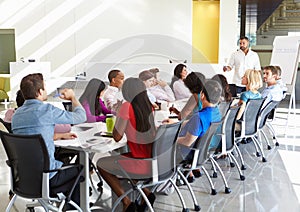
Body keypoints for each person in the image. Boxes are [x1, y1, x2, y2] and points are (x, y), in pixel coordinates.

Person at [11, 73, 87, 207]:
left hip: (25, 179)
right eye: (44, 88)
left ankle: (67, 206)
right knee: (83, 168)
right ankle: (75, 208)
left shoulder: (17, 115)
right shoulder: (46, 110)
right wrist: (73, 97)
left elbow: (33, 137)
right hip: (48, 178)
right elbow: (81, 117)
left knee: (62, 161)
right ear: (40, 92)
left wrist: (58, 136)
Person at [97, 78, 156, 212]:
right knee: (123, 159)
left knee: (102, 164)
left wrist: (118, 118)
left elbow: (117, 137)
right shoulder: (149, 106)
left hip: (139, 163)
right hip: (151, 160)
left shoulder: (127, 106)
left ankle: (126, 202)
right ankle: (146, 193)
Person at [172, 79, 222, 182]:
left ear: (202, 95)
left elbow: (187, 141)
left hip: (187, 152)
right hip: (204, 151)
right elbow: (193, 124)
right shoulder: (216, 112)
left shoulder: (198, 117)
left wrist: (172, 139)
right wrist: (174, 124)